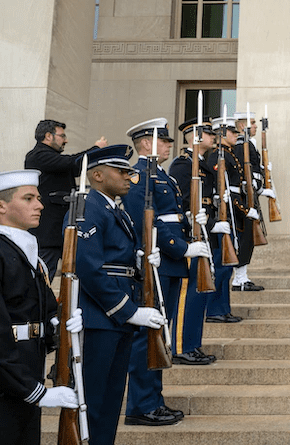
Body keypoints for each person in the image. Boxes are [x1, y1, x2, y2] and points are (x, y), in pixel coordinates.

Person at [121, 119, 212, 426]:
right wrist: (181, 247)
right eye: (163, 140)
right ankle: (140, 405)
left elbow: (170, 216)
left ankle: (153, 400)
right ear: (145, 143)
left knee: (160, 333)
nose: (169, 145)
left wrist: (191, 220)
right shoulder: (138, 177)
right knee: (147, 336)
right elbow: (145, 222)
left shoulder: (164, 177)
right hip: (157, 261)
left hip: (170, 263)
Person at [75, 144, 166, 444]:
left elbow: (118, 261)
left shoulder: (117, 211)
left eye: (129, 171)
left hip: (115, 317)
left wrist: (141, 262)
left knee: (112, 399)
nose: (130, 177)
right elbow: (89, 268)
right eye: (122, 172)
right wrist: (128, 311)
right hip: (101, 317)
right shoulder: (89, 207)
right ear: (97, 175)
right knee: (95, 400)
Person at [0, 169, 83, 445]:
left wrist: (58, 323)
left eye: (37, 197)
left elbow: (40, 309)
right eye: (28, 198)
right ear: (2, 206)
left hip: (27, 368)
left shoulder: (28, 253)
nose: (40, 204)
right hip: (8, 378)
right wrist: (36, 392)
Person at [170, 116, 228, 363]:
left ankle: (193, 344)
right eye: (208, 133)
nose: (213, 136)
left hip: (206, 234)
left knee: (201, 292)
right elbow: (183, 204)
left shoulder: (203, 164)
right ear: (195, 136)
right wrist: (212, 224)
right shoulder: (183, 165)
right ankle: (181, 347)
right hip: (192, 234)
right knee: (190, 292)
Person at [24, 119, 107, 281]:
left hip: (62, 230)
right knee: (43, 277)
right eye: (62, 136)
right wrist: (96, 149)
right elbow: (71, 162)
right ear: (48, 136)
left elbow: (75, 166)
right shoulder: (38, 156)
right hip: (49, 234)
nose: (66, 140)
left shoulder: (53, 159)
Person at [206, 116, 246, 323]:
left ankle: (223, 308)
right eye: (233, 132)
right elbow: (218, 188)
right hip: (221, 215)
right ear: (222, 133)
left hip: (230, 214)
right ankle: (214, 309)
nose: (236, 135)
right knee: (221, 266)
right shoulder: (217, 156)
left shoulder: (228, 154)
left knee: (227, 265)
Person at [230, 111, 271, 292]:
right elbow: (241, 173)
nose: (255, 126)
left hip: (251, 195)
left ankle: (242, 276)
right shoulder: (241, 145)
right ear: (241, 126)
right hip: (245, 198)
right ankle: (239, 278)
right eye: (252, 123)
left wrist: (262, 183)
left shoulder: (249, 144)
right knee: (245, 238)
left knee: (249, 238)